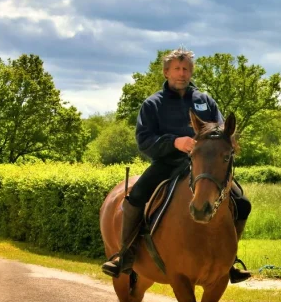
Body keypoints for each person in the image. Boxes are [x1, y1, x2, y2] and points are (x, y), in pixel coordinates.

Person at [101, 48, 252, 283]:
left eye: (186, 69)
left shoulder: (205, 101)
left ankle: (229, 260)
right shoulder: (153, 104)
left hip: (204, 168)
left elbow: (222, 130)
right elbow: (144, 140)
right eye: (176, 69)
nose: (181, 74)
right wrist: (174, 142)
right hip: (167, 163)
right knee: (136, 196)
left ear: (191, 72)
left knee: (242, 203)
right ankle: (125, 255)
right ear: (166, 72)